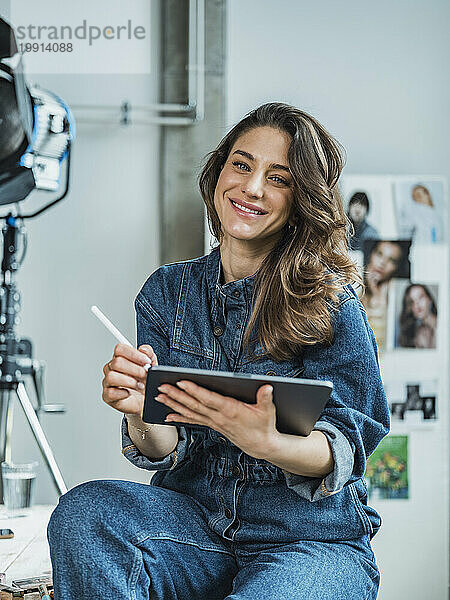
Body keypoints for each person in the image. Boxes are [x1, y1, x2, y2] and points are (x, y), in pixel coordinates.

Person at [47, 103, 390, 599]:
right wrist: (141, 409)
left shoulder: (331, 301)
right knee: (85, 515)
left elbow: (346, 446)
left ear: (302, 200)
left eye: (279, 179)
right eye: (242, 164)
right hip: (192, 528)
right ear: (218, 173)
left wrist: (265, 441)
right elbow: (164, 448)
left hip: (309, 541)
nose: (251, 188)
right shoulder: (167, 292)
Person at [361, 240, 404, 352]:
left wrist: (376, 294)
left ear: (396, 267)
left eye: (391, 260)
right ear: (371, 254)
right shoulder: (355, 287)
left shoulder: (394, 293)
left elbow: (379, 341)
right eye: (379, 254)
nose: (382, 263)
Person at [397, 283, 437, 349]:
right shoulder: (418, 333)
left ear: (430, 300)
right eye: (412, 301)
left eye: (420, 297)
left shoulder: (443, 326)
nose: (417, 304)